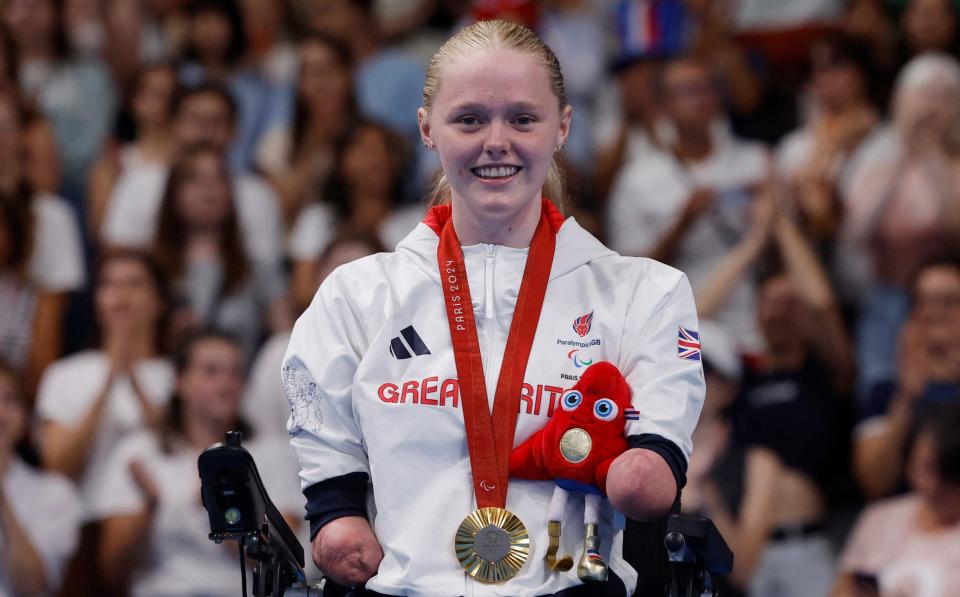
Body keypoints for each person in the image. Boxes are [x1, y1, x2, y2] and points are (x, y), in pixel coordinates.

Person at [283, 19, 704, 596]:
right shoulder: (357, 295)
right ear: (427, 128)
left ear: (563, 126)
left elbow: (656, 461)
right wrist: (334, 511)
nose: (496, 140)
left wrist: (644, 470)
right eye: (470, 119)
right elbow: (320, 430)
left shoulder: (643, 295)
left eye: (523, 118)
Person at [95, 329, 303, 596]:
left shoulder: (272, 454)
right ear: (180, 380)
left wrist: (220, 506)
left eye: (236, 373)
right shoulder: (139, 454)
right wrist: (149, 506)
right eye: (211, 371)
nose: (226, 384)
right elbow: (113, 570)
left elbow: (280, 562)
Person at [153, 143, 287, 357]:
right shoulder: (150, 267)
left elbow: (286, 346)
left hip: (241, 383)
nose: (208, 187)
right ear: (173, 192)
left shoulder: (257, 267)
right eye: (194, 179)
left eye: (218, 178)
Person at [853, 256, 960, 499]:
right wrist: (907, 399)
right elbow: (874, 480)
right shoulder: (885, 391)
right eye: (922, 302)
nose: (933, 313)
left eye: (949, 302)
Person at [834, 403, 960, 596]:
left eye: (946, 473)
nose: (932, 485)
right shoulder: (881, 518)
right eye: (924, 467)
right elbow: (843, 590)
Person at [0, 360, 81, 595]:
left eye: (11, 399)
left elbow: (32, 586)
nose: (1, 412)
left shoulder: (55, 492)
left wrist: (3, 500)